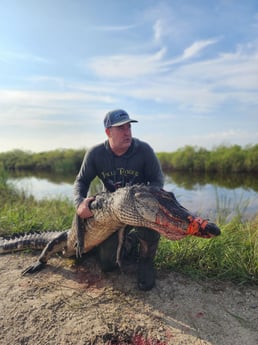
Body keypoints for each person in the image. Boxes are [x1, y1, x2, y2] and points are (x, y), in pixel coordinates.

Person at [73, 109, 164, 291]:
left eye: (129, 127)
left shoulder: (144, 151)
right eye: (121, 128)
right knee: (108, 265)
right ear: (108, 132)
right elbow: (81, 181)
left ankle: (146, 261)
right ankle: (128, 242)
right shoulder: (96, 154)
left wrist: (145, 198)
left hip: (138, 209)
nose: (127, 132)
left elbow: (157, 181)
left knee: (153, 216)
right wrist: (80, 203)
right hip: (112, 211)